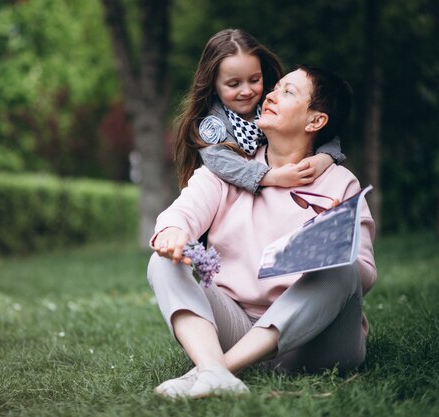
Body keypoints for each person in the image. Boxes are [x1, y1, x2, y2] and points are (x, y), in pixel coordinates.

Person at [147, 64, 376, 399]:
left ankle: (214, 369)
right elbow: (182, 212)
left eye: (288, 91)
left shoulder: (340, 182)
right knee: (162, 263)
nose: (270, 94)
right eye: (276, 87)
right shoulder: (229, 168)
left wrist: (328, 246)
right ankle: (215, 370)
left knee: (340, 270)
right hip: (237, 326)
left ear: (316, 121)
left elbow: (364, 275)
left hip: (318, 343)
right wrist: (173, 231)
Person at [174, 28, 346, 194]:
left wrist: (325, 158)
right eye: (234, 84)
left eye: (255, 80)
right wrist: (269, 177)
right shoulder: (212, 126)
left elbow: (326, 132)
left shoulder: (271, 101)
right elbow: (219, 161)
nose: (247, 91)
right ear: (213, 86)